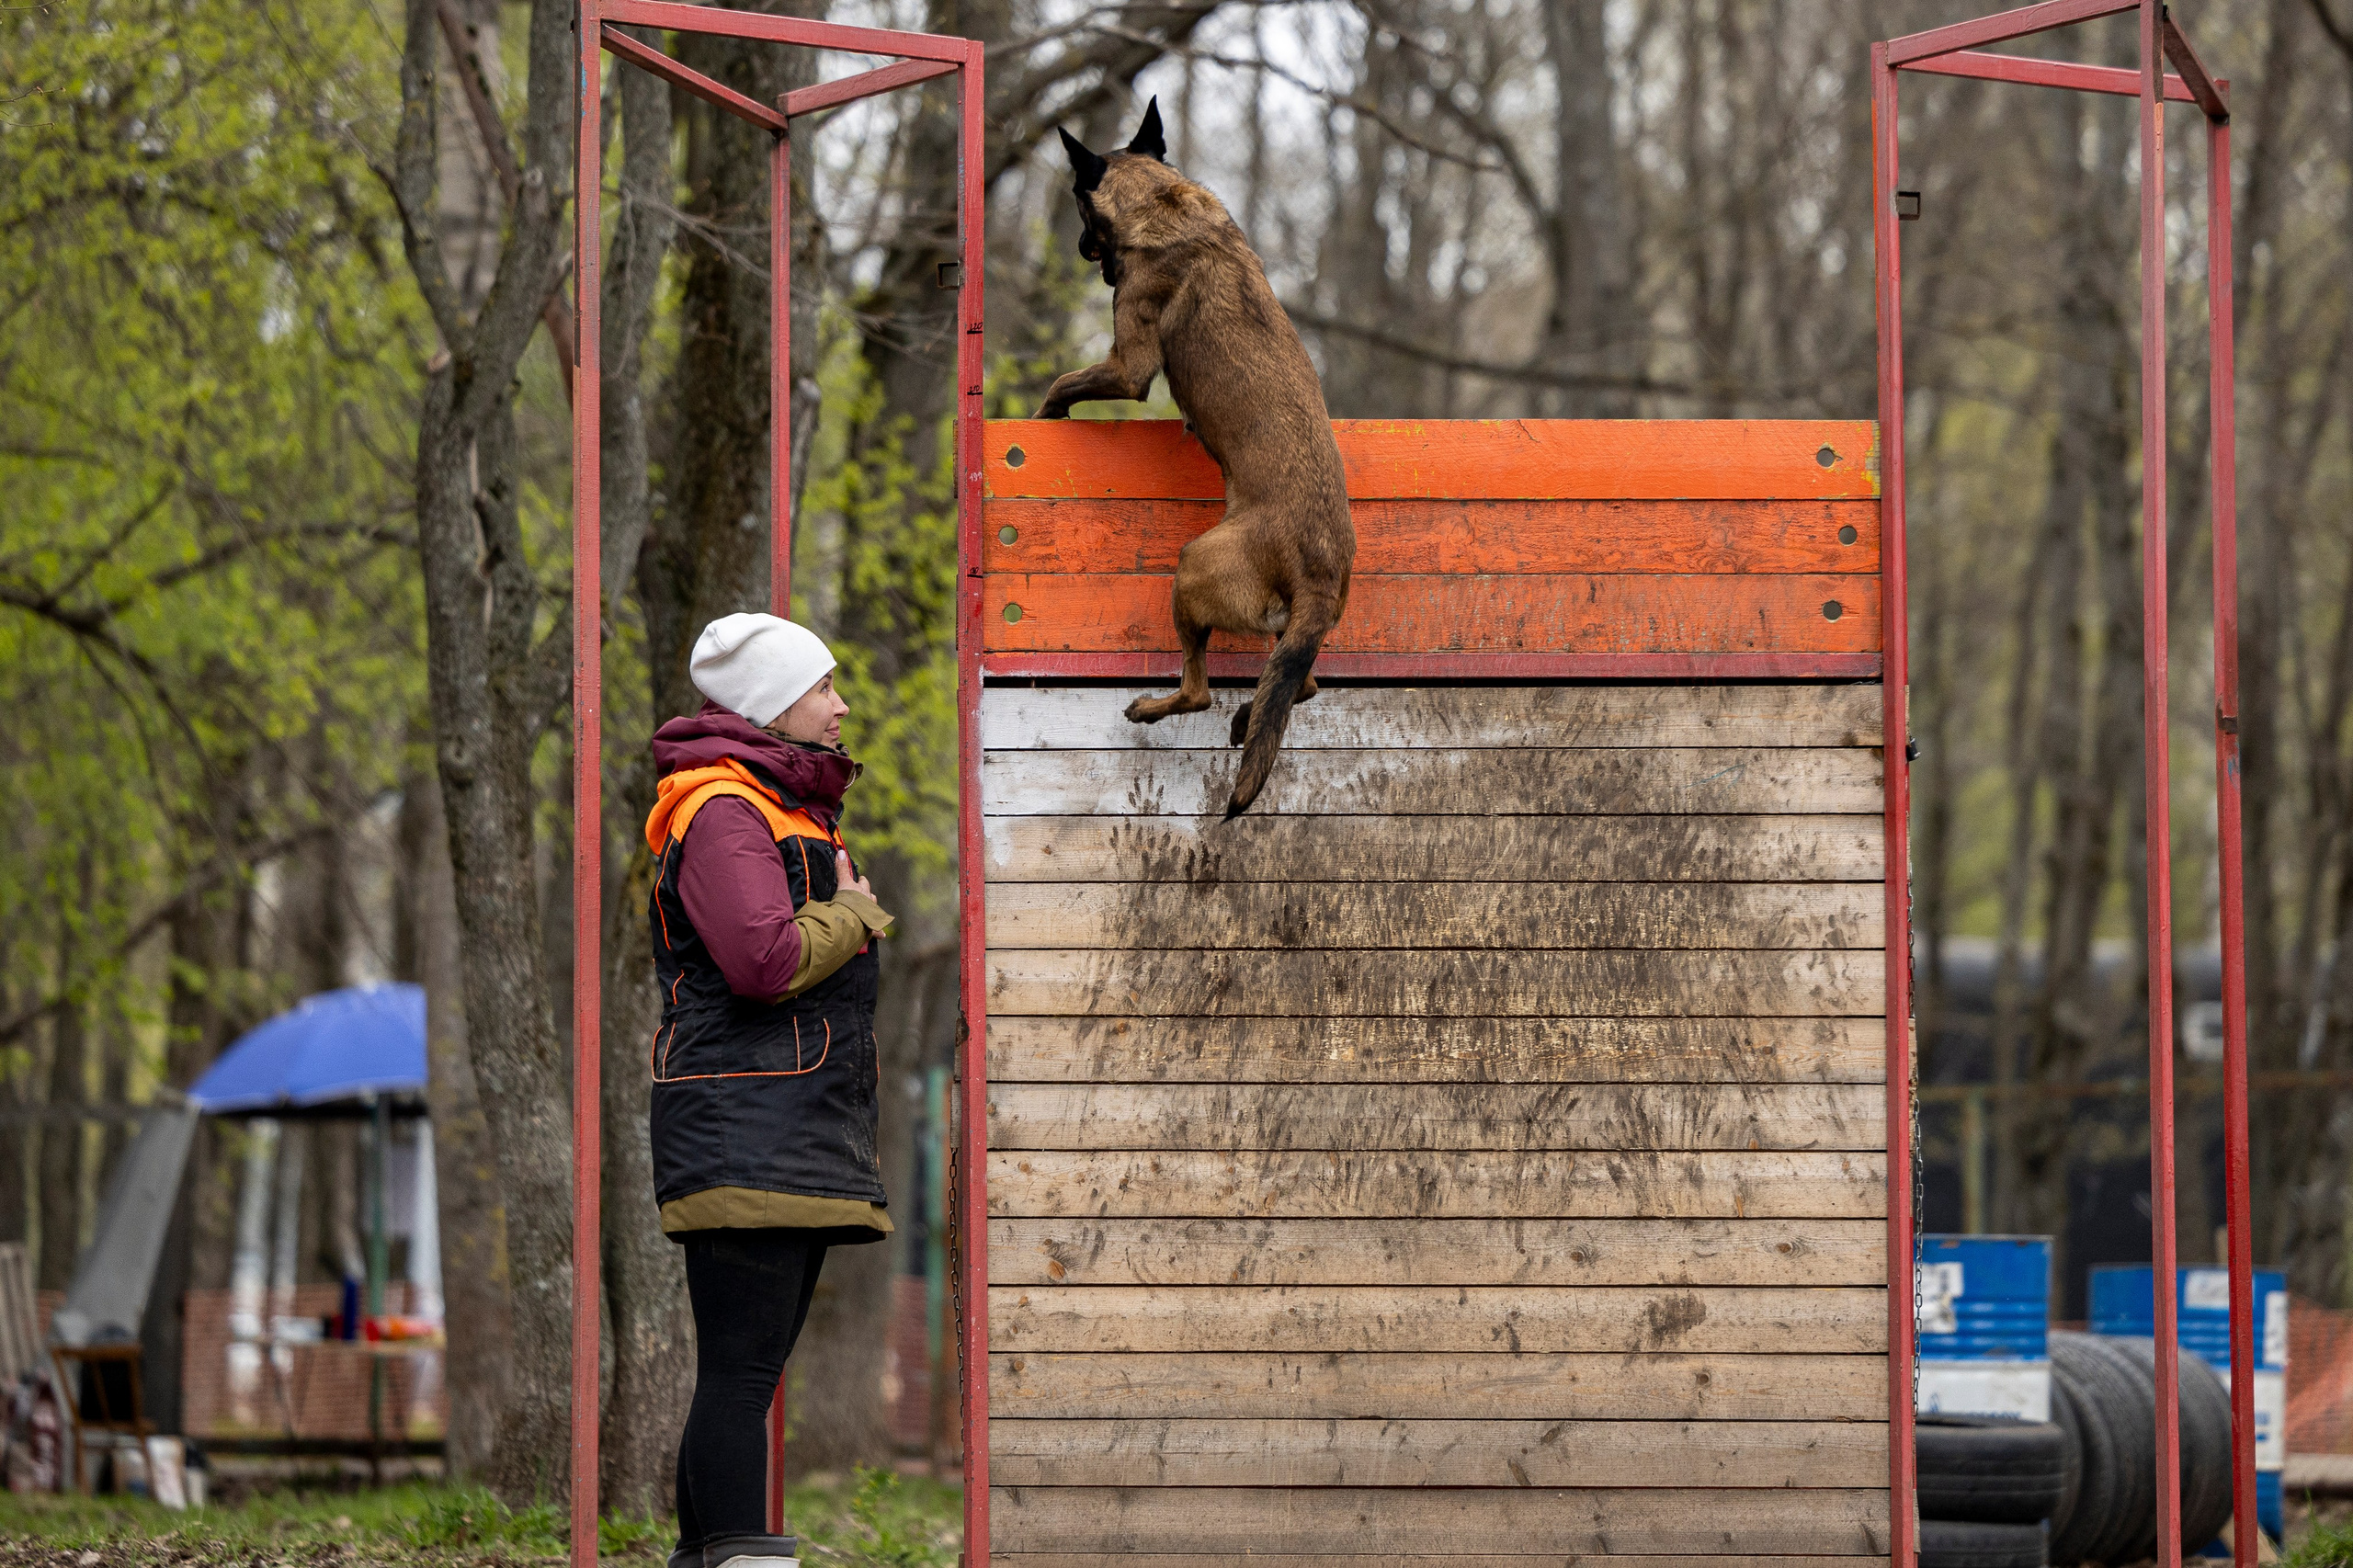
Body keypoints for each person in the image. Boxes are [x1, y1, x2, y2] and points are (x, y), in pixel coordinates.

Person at [643, 613, 895, 1568]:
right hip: (740, 1119)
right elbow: (763, 958)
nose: (840, 704)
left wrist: (844, 912)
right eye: (823, 686)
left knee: (744, 1373)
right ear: (770, 703)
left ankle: (709, 1554)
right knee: (741, 1373)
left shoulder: (779, 804)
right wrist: (854, 912)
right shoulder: (721, 808)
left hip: (783, 1119)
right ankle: (741, 1557)